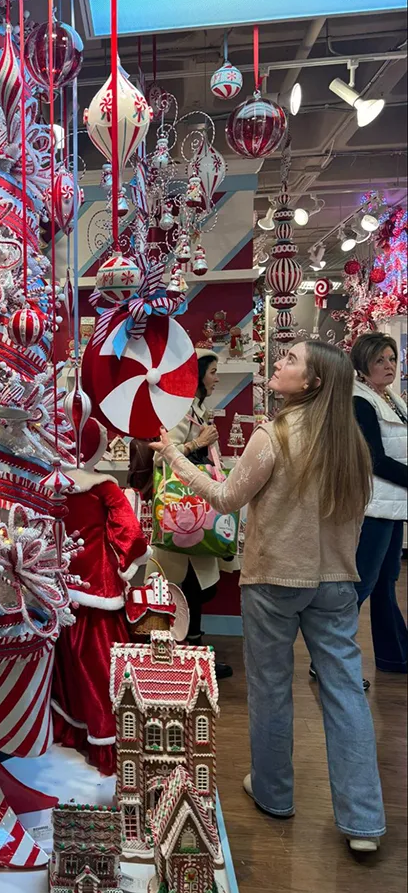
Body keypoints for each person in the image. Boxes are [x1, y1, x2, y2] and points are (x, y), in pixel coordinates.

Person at [150, 340, 386, 852]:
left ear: (313, 382)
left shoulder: (274, 434)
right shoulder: (351, 442)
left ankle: (275, 792)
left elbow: (225, 498)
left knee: (272, 688)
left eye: (291, 360)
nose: (279, 363)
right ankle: (363, 820)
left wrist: (172, 455)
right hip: (336, 582)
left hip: (275, 579)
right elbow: (359, 515)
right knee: (345, 693)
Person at [52, 418, 151, 775]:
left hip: (58, 584)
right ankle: (106, 742)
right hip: (98, 586)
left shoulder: (50, 487)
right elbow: (133, 534)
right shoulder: (105, 489)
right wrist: (126, 562)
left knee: (66, 666)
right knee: (103, 667)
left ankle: (70, 728)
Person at [150, 350, 233, 679]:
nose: (216, 378)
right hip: (183, 510)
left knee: (199, 584)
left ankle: (190, 648)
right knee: (187, 584)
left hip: (196, 511)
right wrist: (197, 442)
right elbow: (160, 458)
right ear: (198, 374)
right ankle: (186, 652)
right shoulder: (182, 411)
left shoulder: (198, 409)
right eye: (213, 371)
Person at [350, 332, 407, 674]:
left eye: (391, 359)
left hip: (392, 505)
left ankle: (394, 654)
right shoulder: (360, 401)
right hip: (374, 507)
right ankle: (328, 658)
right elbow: (373, 458)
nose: (388, 366)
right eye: (379, 361)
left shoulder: (391, 399)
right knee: (362, 585)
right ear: (363, 365)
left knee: (385, 581)